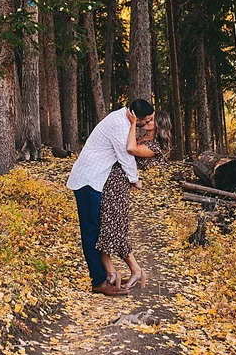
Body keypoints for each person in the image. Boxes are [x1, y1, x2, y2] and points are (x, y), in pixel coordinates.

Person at [66, 99, 154, 296]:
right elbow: (125, 156)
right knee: (90, 231)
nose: (146, 124)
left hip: (95, 180)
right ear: (136, 118)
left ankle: (106, 275)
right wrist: (135, 179)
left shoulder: (121, 120)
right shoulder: (118, 125)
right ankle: (98, 281)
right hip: (88, 180)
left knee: (96, 228)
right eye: (145, 120)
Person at [96, 109, 171, 290]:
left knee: (110, 227)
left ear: (159, 124)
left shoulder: (154, 146)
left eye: (152, 119)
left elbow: (129, 149)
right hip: (113, 180)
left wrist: (131, 124)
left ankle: (126, 271)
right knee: (108, 226)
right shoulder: (145, 139)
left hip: (118, 186)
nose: (146, 120)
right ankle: (117, 271)